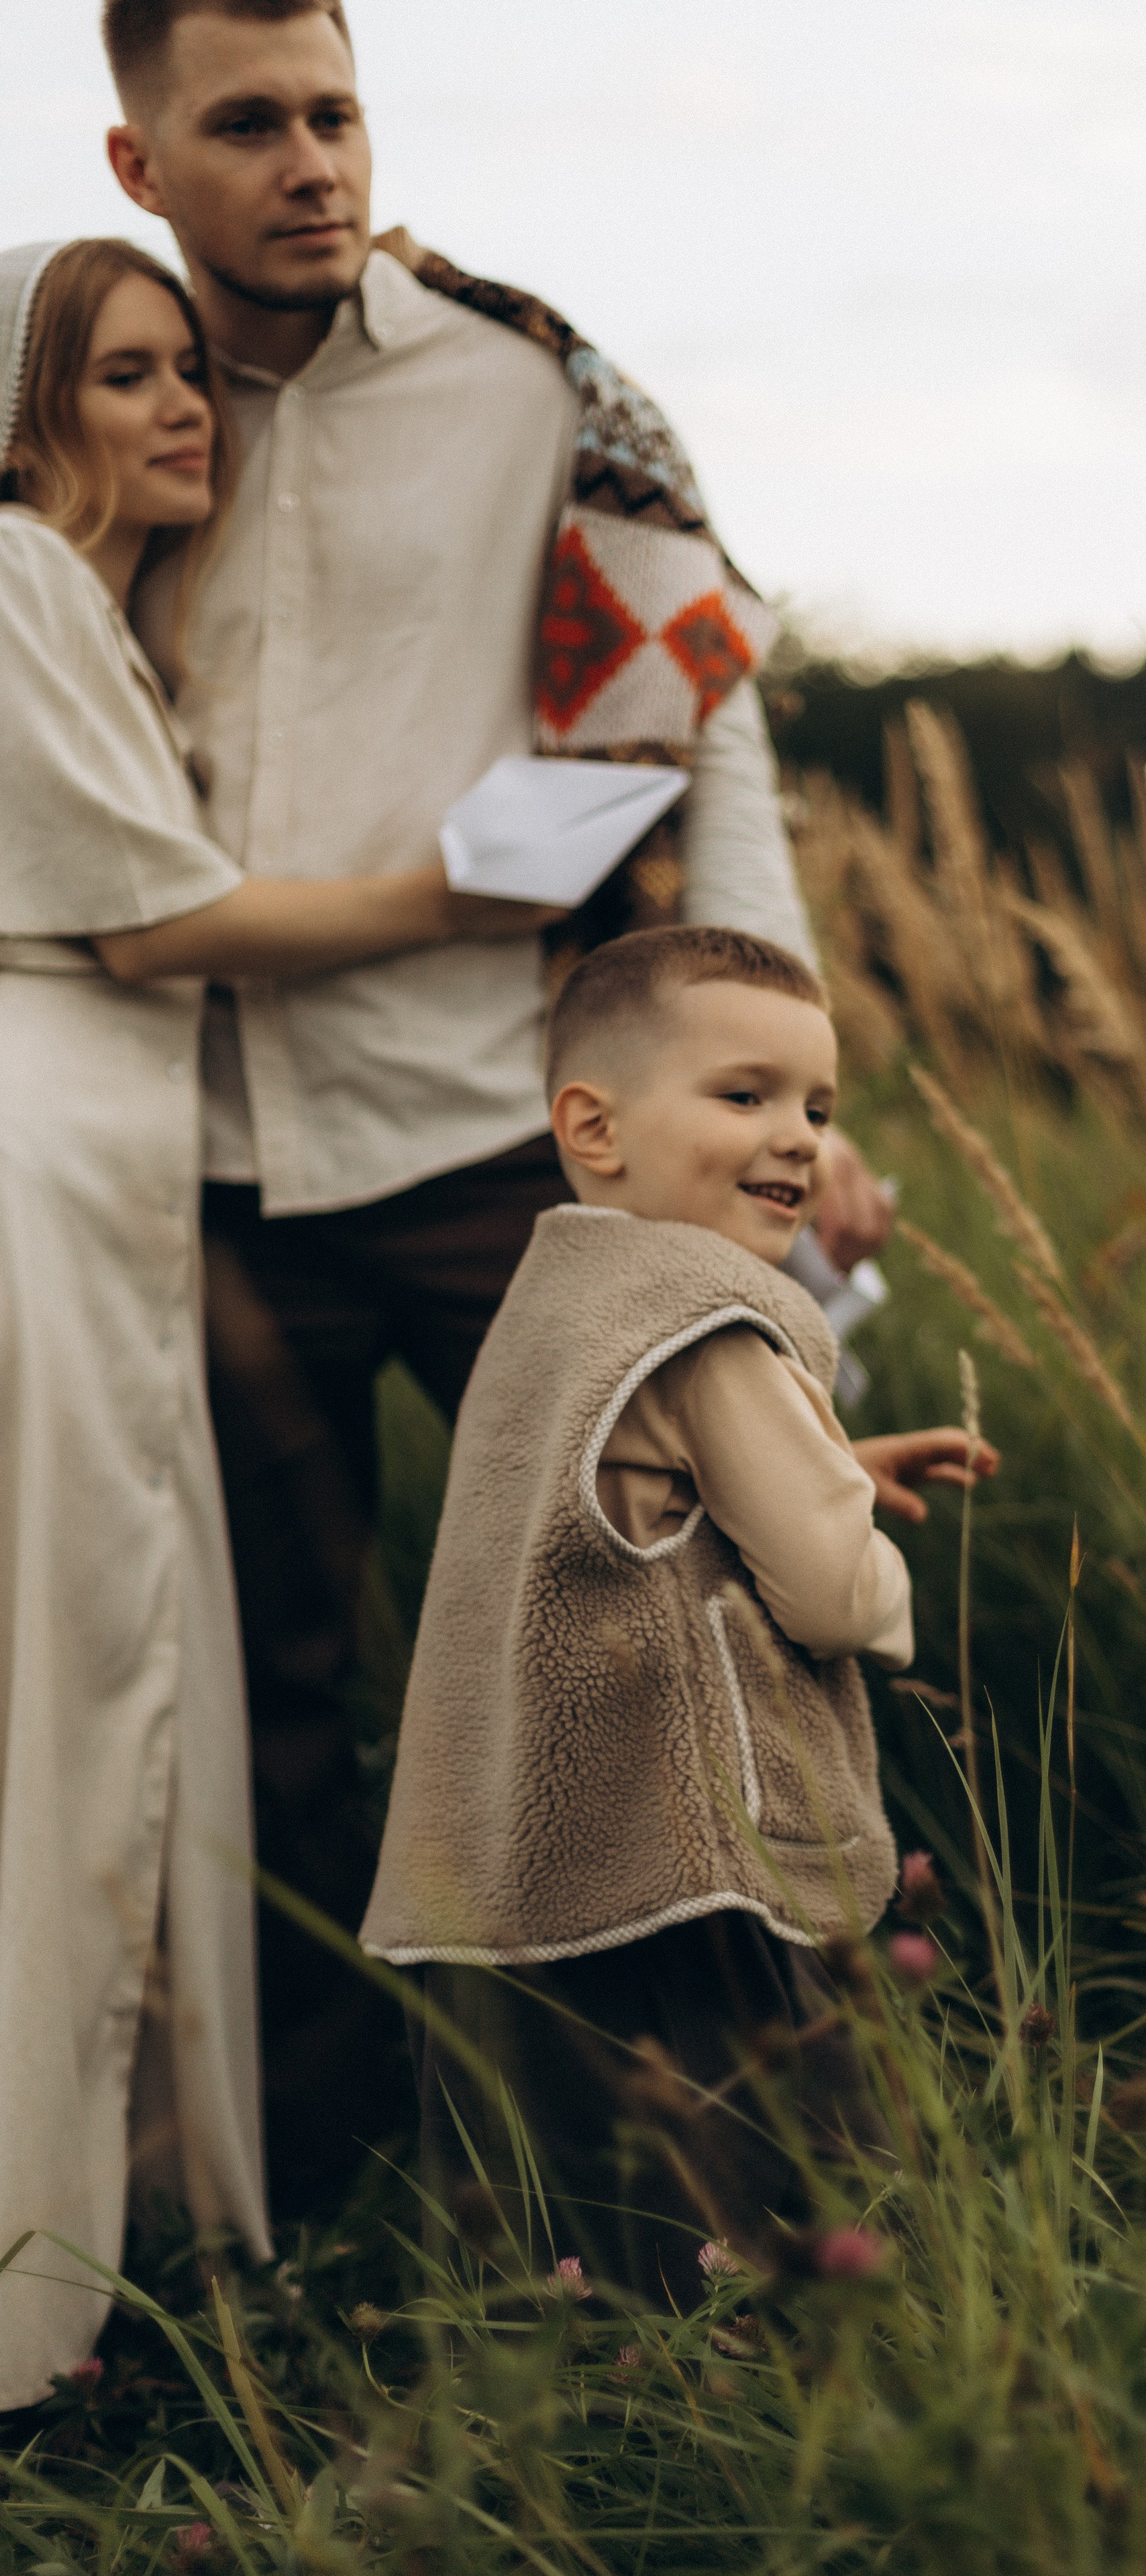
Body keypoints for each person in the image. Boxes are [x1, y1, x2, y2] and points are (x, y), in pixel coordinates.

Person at [98, 0, 899, 2212]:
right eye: (243, 122)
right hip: (186, 1160)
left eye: (334, 110)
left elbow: (690, 732)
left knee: (689, 1644)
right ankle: (326, 2217)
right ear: (137, 154)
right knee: (252, 1727)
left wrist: (781, 1098)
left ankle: (774, 2192)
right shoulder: (90, 389)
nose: (308, 161)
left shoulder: (532, 379)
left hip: (504, 1142)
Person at [0, 235, 556, 2407]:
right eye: (123, 376)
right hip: (55, 1153)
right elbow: (158, 930)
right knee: (83, 1681)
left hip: (109, 1157)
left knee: (135, 1668)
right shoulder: (30, 580)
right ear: (33, 405)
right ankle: (66, 2269)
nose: (179, 412)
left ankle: (138, 2200)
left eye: (184, 374)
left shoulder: (93, 605)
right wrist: (468, 886)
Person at [360, 927, 996, 2306]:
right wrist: (874, 1573)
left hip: (518, 1853)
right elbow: (822, 1589)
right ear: (592, 1124)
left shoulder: (561, 1296)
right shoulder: (706, 1312)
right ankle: (803, 2399)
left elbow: (619, 1491)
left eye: (820, 1110)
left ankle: (584, 2417)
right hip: (682, 1858)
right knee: (779, 2173)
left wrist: (825, 1467)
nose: (799, 1143)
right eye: (744, 1095)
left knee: (574, 2198)